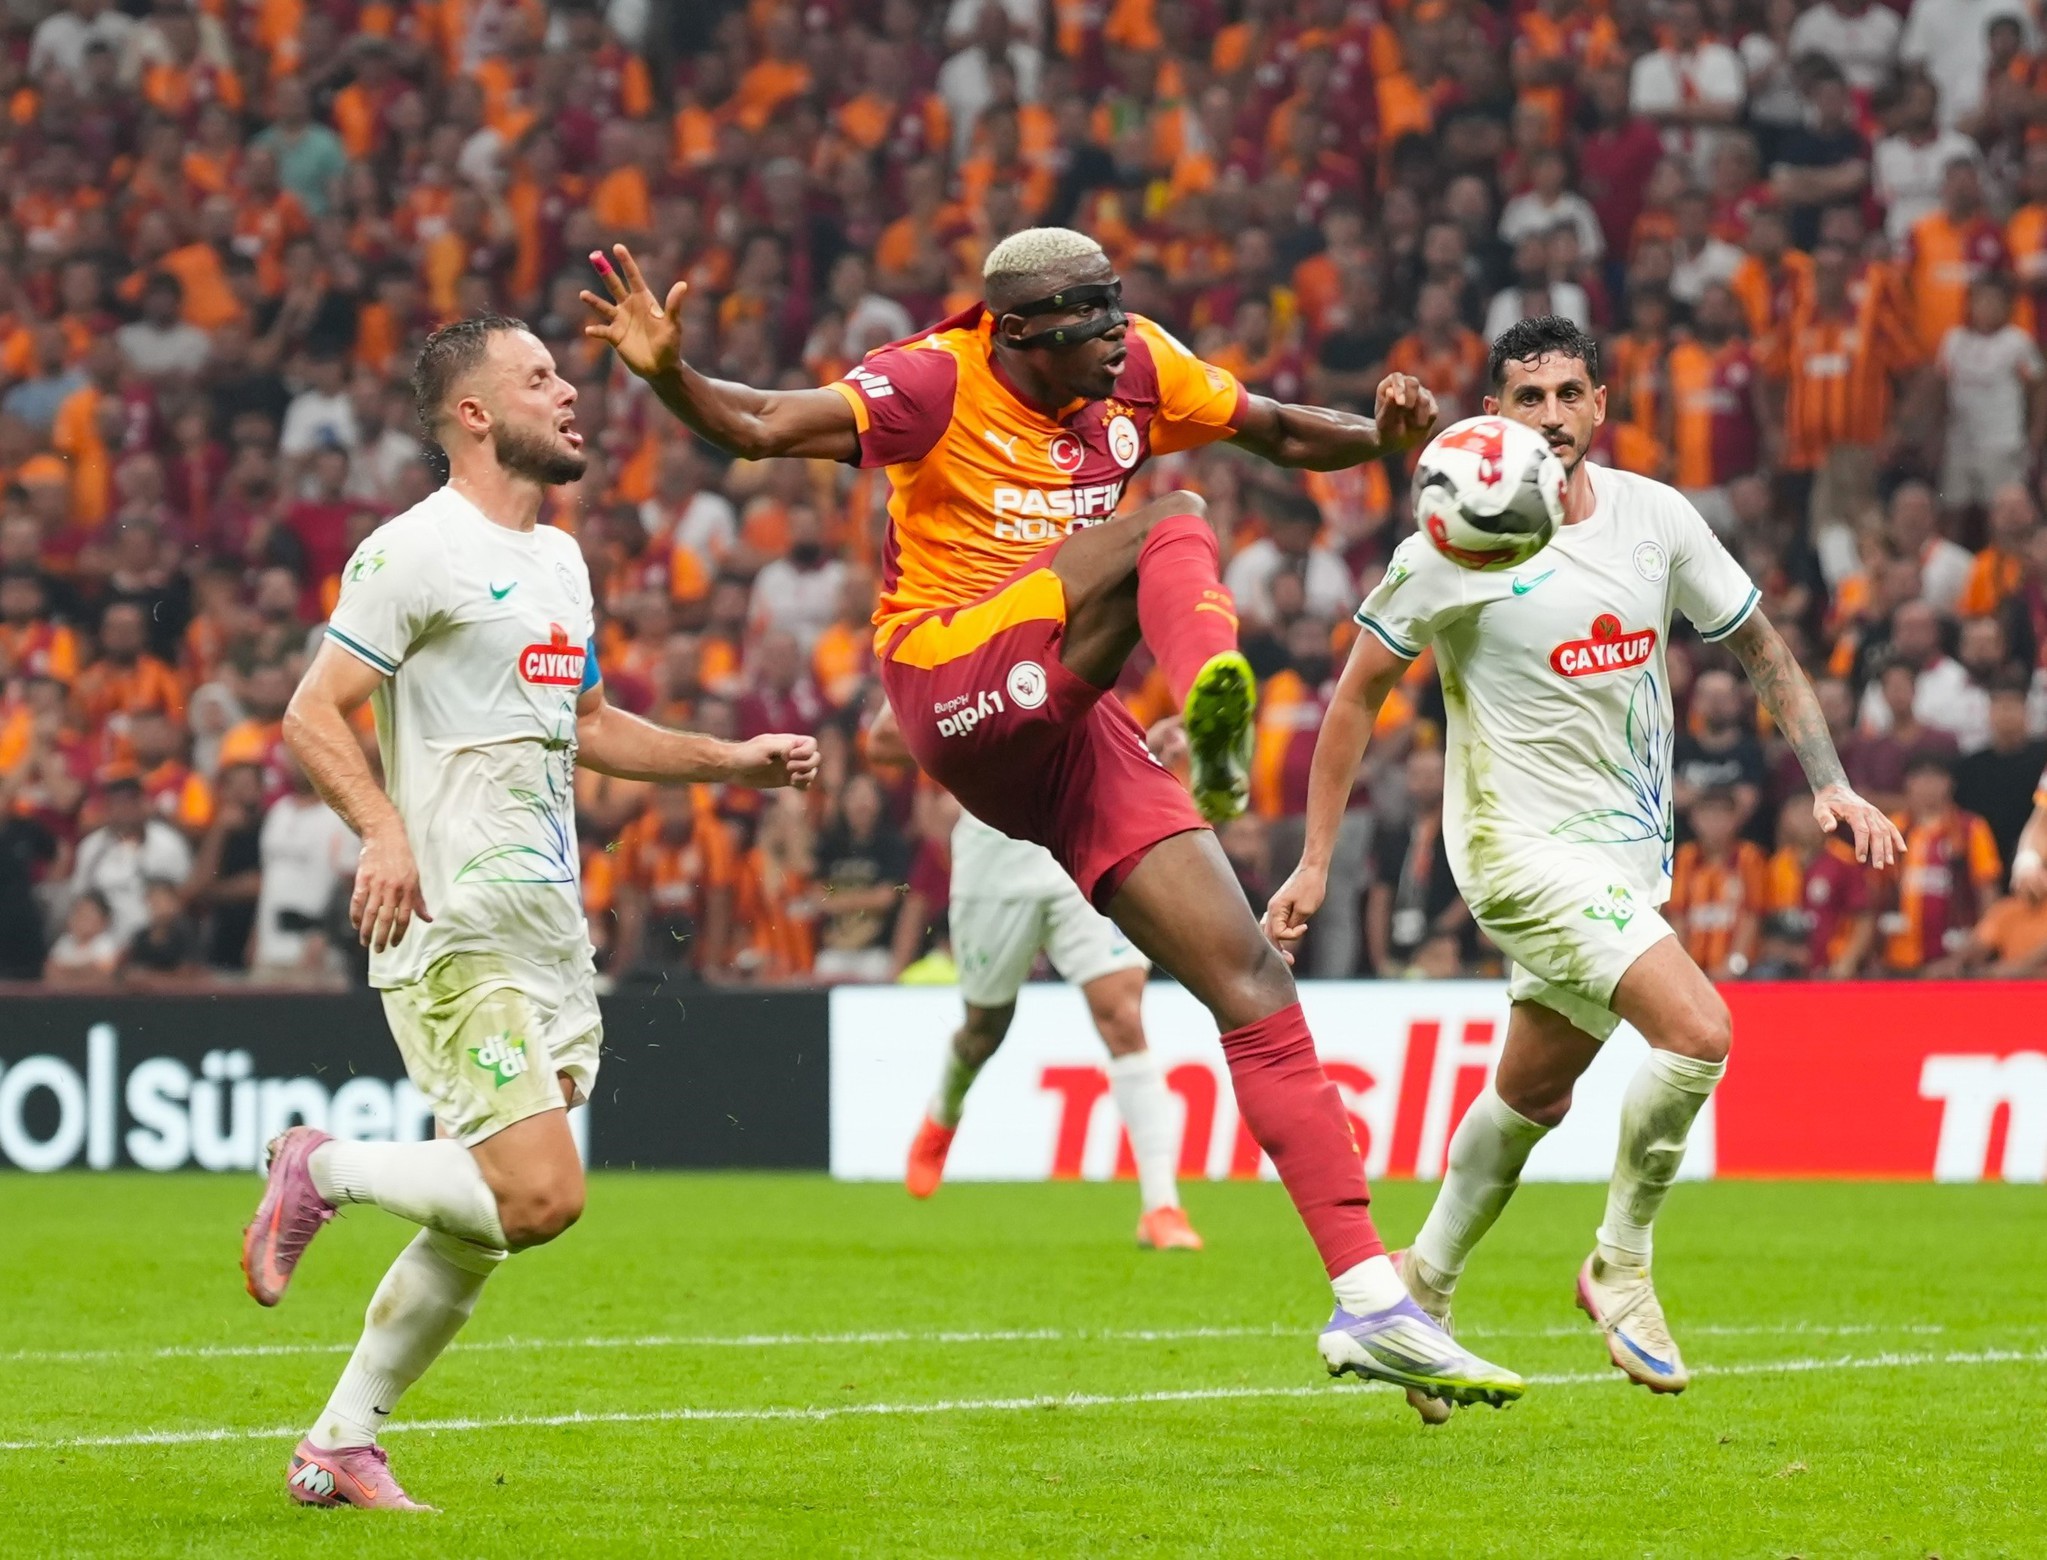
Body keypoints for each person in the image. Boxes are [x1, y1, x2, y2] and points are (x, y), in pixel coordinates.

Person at [581, 232, 1524, 1409]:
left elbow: (1281, 431)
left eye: (1120, 310)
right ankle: (1211, 700)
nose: (1119, 339)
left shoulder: (1139, 369)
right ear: (1017, 330)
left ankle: (1371, 1302)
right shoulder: (931, 381)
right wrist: (670, 374)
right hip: (948, 677)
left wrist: (1380, 438)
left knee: (1250, 981)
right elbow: (762, 423)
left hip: (1064, 722)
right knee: (1171, 517)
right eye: (1092, 319)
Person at [1267, 316, 1901, 1419]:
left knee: (1532, 1093)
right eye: (1528, 397)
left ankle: (1421, 1286)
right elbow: (1356, 695)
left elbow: (1758, 645)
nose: (1552, 416)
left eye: (1569, 394)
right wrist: (1315, 860)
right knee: (1698, 1032)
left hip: (1623, 859)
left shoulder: (1657, 517)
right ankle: (1619, 1264)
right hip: (1513, 853)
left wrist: (1830, 782)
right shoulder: (1451, 541)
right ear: (1493, 414)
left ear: (1600, 405)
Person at [239, 316, 820, 1512]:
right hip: (452, 920)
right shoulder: (413, 552)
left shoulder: (557, 560)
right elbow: (311, 712)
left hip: (546, 927)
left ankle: (340, 1445)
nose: (570, 394)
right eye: (541, 378)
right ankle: (321, 1166)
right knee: (542, 1196)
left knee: (493, 1219)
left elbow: (591, 726)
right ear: (474, 414)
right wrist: (382, 830)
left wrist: (730, 761)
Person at [871, 702, 1202, 1252]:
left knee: (1122, 1015)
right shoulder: (950, 647)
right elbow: (883, 740)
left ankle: (1161, 1206)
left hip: (1083, 833)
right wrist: (989, 741)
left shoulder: (1078, 644)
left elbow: (1078, 723)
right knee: (984, 1027)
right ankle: (943, 1113)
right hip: (997, 855)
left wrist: (1137, 741)